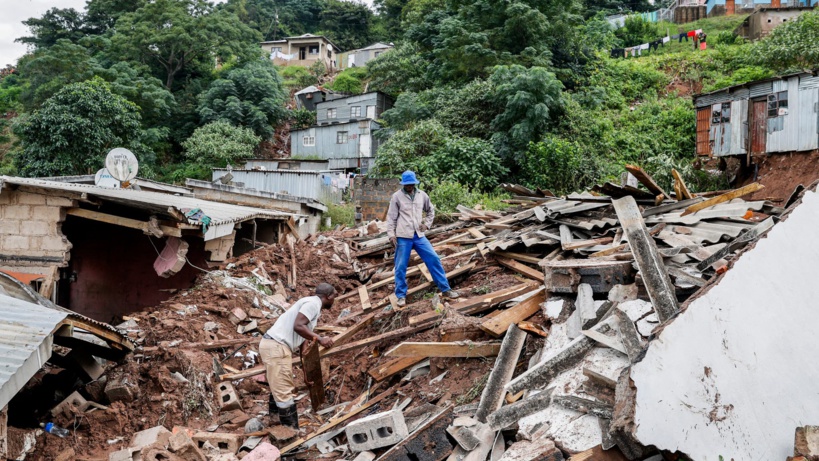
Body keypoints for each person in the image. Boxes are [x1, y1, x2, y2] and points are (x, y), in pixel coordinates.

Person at [258, 283, 337, 429]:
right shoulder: (313, 304)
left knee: (278, 384)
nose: (334, 300)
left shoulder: (311, 305)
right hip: (276, 346)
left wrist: (305, 374)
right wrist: (320, 339)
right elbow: (298, 326)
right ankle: (290, 433)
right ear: (328, 296)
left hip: (276, 346)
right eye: (334, 296)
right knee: (284, 390)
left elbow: (303, 344)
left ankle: (276, 421)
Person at [386, 171, 460, 307]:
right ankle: (401, 296)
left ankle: (445, 289)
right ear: (403, 184)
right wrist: (391, 235)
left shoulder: (422, 195)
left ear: (415, 183)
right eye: (407, 184)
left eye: (411, 184)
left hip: (419, 235)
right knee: (400, 266)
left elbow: (431, 210)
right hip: (403, 236)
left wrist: (426, 224)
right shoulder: (396, 197)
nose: (410, 186)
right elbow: (391, 218)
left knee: (434, 259)